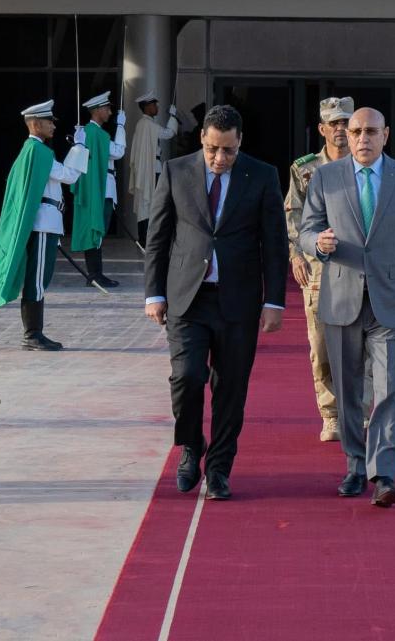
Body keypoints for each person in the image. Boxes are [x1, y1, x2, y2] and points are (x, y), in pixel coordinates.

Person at [144, 104, 287, 501]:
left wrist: (274, 301)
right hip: (187, 299)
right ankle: (192, 445)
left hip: (238, 300)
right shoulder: (176, 171)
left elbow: (275, 243)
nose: (220, 158)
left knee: (231, 389)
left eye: (228, 150)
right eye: (212, 149)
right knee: (187, 377)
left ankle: (220, 469)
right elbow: (158, 236)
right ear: (201, 139)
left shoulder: (262, 176)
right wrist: (154, 293)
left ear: (240, 142)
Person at [299, 107, 395, 508]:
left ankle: (384, 474)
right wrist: (317, 243)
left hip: (390, 304)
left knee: (389, 389)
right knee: (347, 390)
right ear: (346, 134)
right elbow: (306, 230)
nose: (362, 138)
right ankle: (356, 465)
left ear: (385, 135)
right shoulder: (325, 176)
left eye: (371, 131)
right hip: (341, 300)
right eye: (356, 130)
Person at [286, 97, 373, 442]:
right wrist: (296, 254)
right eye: (334, 123)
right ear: (322, 129)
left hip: (359, 267)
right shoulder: (305, 169)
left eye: (345, 123)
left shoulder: (367, 163)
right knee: (321, 344)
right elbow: (293, 215)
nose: (340, 129)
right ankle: (332, 414)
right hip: (319, 269)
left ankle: (360, 411)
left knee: (362, 345)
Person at [0, 100, 89, 350]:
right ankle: (32, 334)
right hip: (43, 223)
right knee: (37, 279)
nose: (53, 125)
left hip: (44, 222)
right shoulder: (39, 152)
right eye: (49, 121)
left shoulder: (31, 151)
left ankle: (33, 333)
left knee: (37, 278)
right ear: (36, 124)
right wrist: (79, 147)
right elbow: (69, 176)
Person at [72, 91, 126, 288]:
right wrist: (121, 127)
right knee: (97, 231)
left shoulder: (87, 132)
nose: (110, 112)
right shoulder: (98, 134)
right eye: (107, 109)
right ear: (96, 111)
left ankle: (94, 274)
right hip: (103, 189)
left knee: (93, 230)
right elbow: (118, 152)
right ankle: (95, 275)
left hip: (93, 188)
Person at [128, 90, 178, 247]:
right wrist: (173, 117)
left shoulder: (142, 124)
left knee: (146, 204)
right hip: (152, 168)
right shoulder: (148, 124)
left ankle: (145, 239)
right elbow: (168, 133)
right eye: (154, 105)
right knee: (151, 203)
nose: (157, 107)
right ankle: (147, 240)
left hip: (146, 168)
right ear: (147, 107)